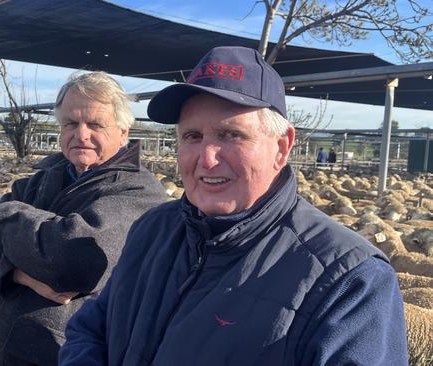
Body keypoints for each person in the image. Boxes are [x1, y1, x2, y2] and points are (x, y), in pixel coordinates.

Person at [60, 47, 408, 365]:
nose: (207, 159)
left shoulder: (349, 281)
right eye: (192, 136)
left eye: (231, 135)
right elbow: (89, 331)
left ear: (282, 146)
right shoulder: (152, 229)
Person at [0, 71, 167, 366]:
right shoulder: (43, 178)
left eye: (95, 124)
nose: (81, 134)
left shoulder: (137, 192)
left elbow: (74, 262)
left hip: (61, 355)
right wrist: (17, 274)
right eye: (71, 123)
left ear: (123, 132)